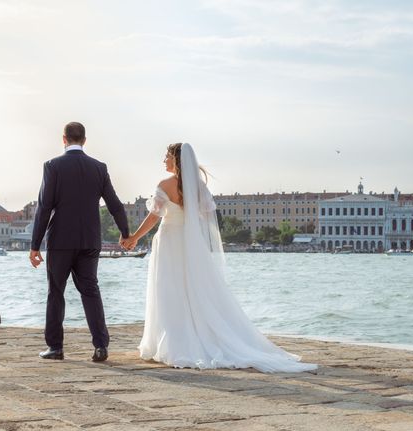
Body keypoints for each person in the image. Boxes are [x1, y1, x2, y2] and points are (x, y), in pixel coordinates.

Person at [121, 143, 316, 373]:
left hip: (169, 241)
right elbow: (204, 216)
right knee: (194, 288)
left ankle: (171, 341)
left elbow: (154, 218)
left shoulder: (164, 185)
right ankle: (195, 337)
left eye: (166, 156)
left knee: (169, 287)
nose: (163, 160)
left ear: (175, 160)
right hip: (190, 242)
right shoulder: (198, 187)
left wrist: (134, 237)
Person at [30, 122, 129, 362]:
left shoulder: (53, 166)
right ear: (84, 140)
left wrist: (35, 245)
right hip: (89, 240)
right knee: (90, 290)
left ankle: (55, 348)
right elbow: (114, 204)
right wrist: (125, 233)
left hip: (61, 241)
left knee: (56, 292)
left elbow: (44, 207)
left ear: (63, 139)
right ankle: (101, 346)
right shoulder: (99, 167)